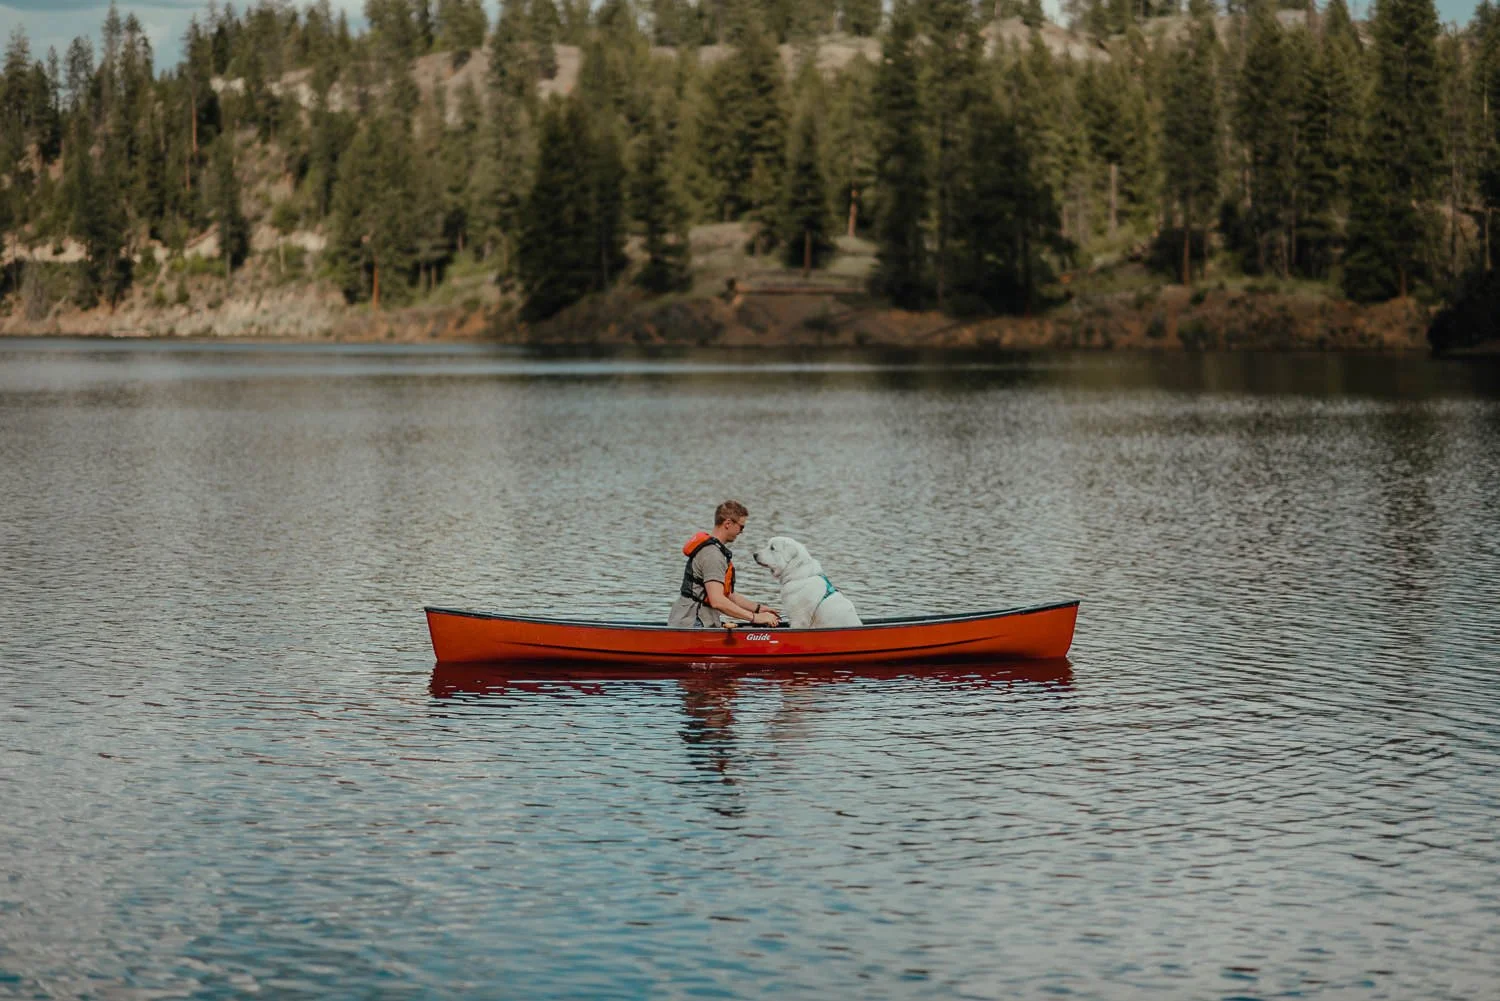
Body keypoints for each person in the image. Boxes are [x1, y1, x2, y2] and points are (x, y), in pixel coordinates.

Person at [668, 500, 781, 628]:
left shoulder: (715, 551)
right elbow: (717, 601)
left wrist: (758, 609)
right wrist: (755, 618)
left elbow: (727, 594)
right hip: (693, 622)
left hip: (695, 618)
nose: (741, 532)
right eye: (741, 527)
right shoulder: (713, 555)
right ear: (728, 523)